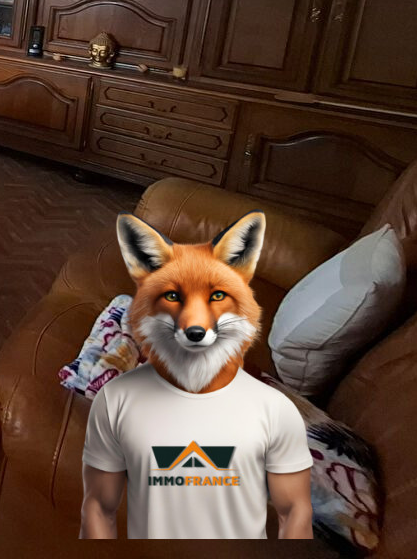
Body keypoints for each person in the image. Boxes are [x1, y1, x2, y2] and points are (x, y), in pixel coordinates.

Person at [80, 212, 312, 540]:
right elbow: (98, 507)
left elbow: (297, 517)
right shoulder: (117, 398)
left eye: (216, 296)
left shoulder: (275, 411)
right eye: (174, 297)